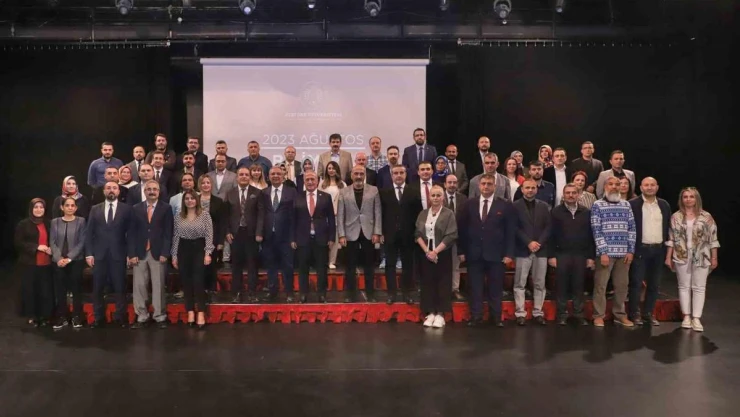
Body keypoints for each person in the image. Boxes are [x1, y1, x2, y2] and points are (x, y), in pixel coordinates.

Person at [458, 174, 515, 327]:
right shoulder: (469, 204)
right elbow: (462, 229)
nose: (486, 186)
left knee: (495, 288)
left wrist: (509, 253)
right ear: (479, 185)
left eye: (489, 184)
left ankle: (496, 317)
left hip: (497, 255)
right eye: (483, 183)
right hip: (474, 254)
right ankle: (476, 316)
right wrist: (461, 251)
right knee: (475, 288)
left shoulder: (505, 205)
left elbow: (510, 231)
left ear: (495, 186)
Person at [665, 187, 719, 332]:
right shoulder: (676, 217)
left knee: (699, 287)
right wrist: (668, 257)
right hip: (681, 255)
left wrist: (714, 257)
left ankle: (696, 318)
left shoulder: (706, 216)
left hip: (702, 255)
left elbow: (713, 239)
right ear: (681, 199)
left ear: (696, 199)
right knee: (683, 287)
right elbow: (671, 239)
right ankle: (686, 317)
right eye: (685, 197)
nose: (688, 199)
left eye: (691, 197)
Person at [85, 181, 134, 328]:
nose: (111, 190)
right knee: (98, 288)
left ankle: (120, 317)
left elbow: (131, 233)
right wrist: (89, 254)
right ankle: (98, 317)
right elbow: (89, 233)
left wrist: (130, 253)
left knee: (120, 288)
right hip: (99, 255)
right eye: (108, 188)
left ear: (118, 191)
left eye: (114, 188)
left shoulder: (127, 209)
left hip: (119, 254)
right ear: (104, 191)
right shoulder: (95, 209)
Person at [590, 176, 636, 327]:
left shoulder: (626, 205)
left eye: (617, 184)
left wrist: (630, 250)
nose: (615, 187)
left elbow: (632, 228)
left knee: (622, 286)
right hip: (605, 254)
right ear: (605, 187)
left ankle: (619, 315)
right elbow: (596, 230)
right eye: (611, 184)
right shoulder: (597, 205)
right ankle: (598, 315)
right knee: (601, 286)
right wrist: (603, 252)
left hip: (624, 254)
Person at [129, 180, 173, 329]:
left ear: (159, 192)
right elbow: (131, 233)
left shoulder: (166, 208)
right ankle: (142, 315)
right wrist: (132, 253)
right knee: (139, 286)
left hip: (158, 252)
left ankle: (159, 316)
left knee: (158, 285)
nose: (152, 191)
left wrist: (165, 252)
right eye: (149, 189)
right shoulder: (136, 208)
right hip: (139, 253)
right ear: (145, 191)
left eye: (155, 189)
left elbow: (168, 233)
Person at [628, 177, 672, 326]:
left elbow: (668, 227)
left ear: (657, 187)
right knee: (636, 283)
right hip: (640, 249)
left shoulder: (664, 205)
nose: (649, 187)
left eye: (652, 185)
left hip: (658, 250)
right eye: (646, 185)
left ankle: (648, 313)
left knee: (654, 284)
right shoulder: (632, 204)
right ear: (641, 188)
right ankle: (634, 314)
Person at [549, 183, 595, 326]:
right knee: (561, 286)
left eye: (573, 193)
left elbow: (591, 236)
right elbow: (550, 235)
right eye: (568, 193)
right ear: (563, 195)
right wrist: (551, 255)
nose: (570, 195)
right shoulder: (555, 212)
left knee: (579, 285)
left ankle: (578, 314)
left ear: (578, 195)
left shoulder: (586, 212)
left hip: (580, 255)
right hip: (561, 254)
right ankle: (562, 315)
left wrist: (590, 257)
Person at [337, 165, 382, 302]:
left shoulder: (374, 190)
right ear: (351, 175)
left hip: (369, 232)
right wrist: (341, 234)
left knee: (369, 266)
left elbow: (378, 212)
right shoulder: (343, 192)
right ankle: (350, 295)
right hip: (350, 232)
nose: (358, 176)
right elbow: (340, 214)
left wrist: (377, 232)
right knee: (350, 266)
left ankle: (370, 294)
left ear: (365, 175)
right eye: (356, 173)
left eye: (361, 173)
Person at [415, 185, 458, 328]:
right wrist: (427, 251)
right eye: (433, 195)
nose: (435, 198)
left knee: (443, 283)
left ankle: (440, 314)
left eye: (438, 195)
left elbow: (451, 235)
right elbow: (418, 234)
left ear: (443, 197)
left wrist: (435, 252)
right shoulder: (423, 213)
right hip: (426, 254)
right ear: (429, 197)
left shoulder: (449, 214)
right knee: (427, 282)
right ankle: (430, 312)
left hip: (442, 253)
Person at [172, 190, 214, 329]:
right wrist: (174, 255)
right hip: (183, 249)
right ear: (184, 201)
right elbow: (176, 236)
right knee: (186, 282)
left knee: (198, 281)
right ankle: (190, 311)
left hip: (199, 249)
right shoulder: (179, 216)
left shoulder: (205, 215)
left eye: (192, 198)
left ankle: (201, 312)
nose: (189, 201)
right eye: (187, 199)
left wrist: (208, 253)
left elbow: (209, 235)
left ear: (197, 200)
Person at [512, 179, 552, 326]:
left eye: (533, 188)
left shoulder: (544, 206)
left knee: (540, 283)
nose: (530, 190)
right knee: (520, 283)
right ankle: (520, 313)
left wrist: (538, 243)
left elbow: (549, 227)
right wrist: (528, 242)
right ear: (522, 189)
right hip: (522, 249)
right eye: (527, 187)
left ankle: (538, 312)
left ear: (537, 189)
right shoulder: (514, 206)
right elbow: (514, 227)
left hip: (541, 250)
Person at [379, 164, 420, 304]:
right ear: (391, 176)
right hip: (390, 235)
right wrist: (381, 232)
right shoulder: (384, 193)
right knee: (390, 264)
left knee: (408, 265)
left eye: (401, 172)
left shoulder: (413, 192)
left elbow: (418, 215)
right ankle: (391, 293)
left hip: (408, 235)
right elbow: (381, 214)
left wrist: (416, 233)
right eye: (395, 173)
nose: (398, 175)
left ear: (405, 174)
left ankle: (406, 293)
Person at [293, 171, 335, 303]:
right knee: (303, 268)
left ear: (317, 181)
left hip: (321, 238)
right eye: (307, 180)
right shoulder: (297, 196)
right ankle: (303, 294)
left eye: (312, 179)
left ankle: (322, 294)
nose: (310, 182)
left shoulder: (326, 197)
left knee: (322, 268)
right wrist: (293, 238)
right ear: (304, 182)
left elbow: (331, 218)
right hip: (302, 238)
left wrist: (331, 238)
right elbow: (292, 219)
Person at [226, 167, 265, 303]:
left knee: (252, 265)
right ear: (237, 177)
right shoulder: (230, 193)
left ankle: (252, 293)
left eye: (246, 175)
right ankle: (236, 293)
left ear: (250, 177)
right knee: (236, 265)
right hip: (235, 234)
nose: (244, 177)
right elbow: (226, 215)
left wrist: (259, 232)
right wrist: (227, 232)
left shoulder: (257, 193)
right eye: (241, 174)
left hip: (251, 234)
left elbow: (261, 214)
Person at [15, 198, 53, 327]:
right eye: (36, 207)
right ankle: (31, 316)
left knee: (45, 291)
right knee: (30, 291)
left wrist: (52, 249)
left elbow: (53, 240)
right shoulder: (23, 224)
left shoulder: (48, 223)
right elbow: (18, 243)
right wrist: (36, 247)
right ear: (31, 209)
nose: (38, 210)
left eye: (41, 207)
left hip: (46, 263)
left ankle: (44, 316)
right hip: (29, 263)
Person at [261, 166, 297, 302]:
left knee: (288, 266)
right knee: (271, 265)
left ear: (283, 176)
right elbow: (262, 214)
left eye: (278, 174)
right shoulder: (264, 193)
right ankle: (272, 292)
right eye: (273, 174)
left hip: (286, 237)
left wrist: (293, 237)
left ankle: (289, 293)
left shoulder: (292, 191)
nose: (275, 176)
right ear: (268, 177)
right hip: (268, 236)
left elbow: (294, 216)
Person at [50, 197, 86, 329]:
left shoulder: (81, 221)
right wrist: (59, 258)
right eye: (67, 205)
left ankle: (76, 317)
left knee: (76, 290)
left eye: (72, 205)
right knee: (60, 290)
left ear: (76, 208)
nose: (70, 208)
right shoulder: (55, 222)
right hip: (58, 261)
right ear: (62, 207)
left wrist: (69, 258)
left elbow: (82, 242)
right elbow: (52, 242)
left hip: (75, 261)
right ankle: (62, 317)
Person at [198, 175, 227, 295]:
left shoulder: (218, 201)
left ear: (211, 185)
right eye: (203, 183)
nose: (205, 185)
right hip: (197, 237)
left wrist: (220, 241)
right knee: (198, 264)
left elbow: (222, 222)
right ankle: (200, 288)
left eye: (208, 183)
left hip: (213, 237)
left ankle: (211, 288)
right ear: (199, 185)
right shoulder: (194, 199)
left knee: (211, 263)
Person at [443, 174, 467, 301]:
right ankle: (443, 289)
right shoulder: (439, 197)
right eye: (449, 182)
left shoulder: (463, 198)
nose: (452, 185)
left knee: (455, 266)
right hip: (442, 238)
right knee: (442, 265)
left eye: (454, 182)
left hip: (458, 238)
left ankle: (455, 289)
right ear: (445, 184)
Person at [320, 161, 345, 269]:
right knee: (324, 238)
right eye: (329, 168)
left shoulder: (342, 184)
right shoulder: (322, 184)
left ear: (337, 170)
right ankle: (323, 260)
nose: (331, 170)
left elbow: (345, 200)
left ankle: (332, 261)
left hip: (337, 215)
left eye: (333, 168)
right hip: (324, 215)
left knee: (334, 238)